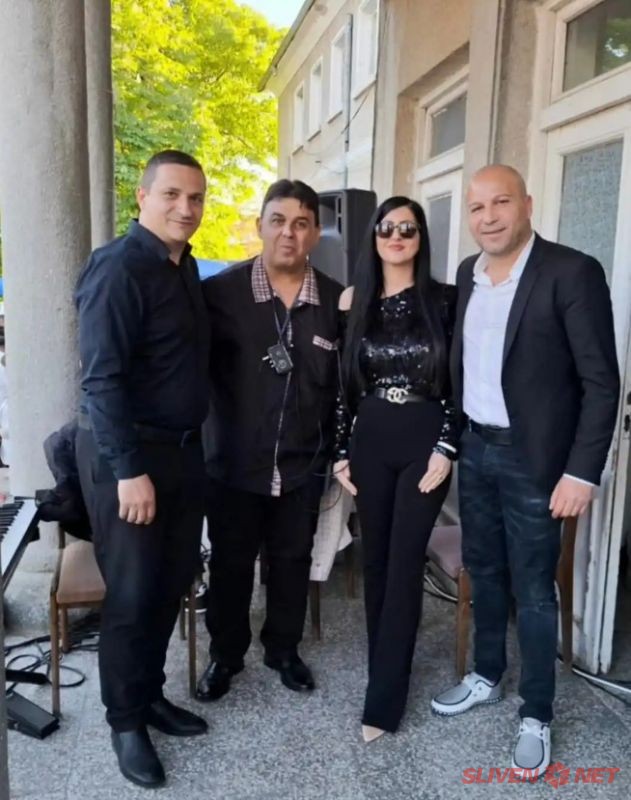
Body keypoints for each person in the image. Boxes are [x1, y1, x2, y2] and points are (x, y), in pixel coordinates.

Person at [431, 165, 620, 775]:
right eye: (477, 207)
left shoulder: (571, 272)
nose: (488, 217)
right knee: (485, 569)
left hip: (535, 461)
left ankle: (536, 712)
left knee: (534, 589)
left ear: (527, 204)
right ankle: (487, 674)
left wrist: (581, 473)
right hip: (477, 448)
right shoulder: (469, 273)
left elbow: (601, 383)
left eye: (501, 202)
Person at [75, 150, 211, 790]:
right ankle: (125, 722)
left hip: (182, 453)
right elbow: (100, 380)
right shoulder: (117, 267)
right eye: (172, 195)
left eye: (196, 197)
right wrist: (129, 470)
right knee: (131, 596)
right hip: (129, 458)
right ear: (142, 196)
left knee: (170, 582)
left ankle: (150, 695)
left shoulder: (183, 267)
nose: (186, 208)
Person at [196, 179, 342, 702]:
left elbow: (345, 387)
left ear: (316, 233)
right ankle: (225, 654)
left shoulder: (336, 302)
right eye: (278, 221)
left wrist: (339, 452)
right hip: (233, 462)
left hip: (303, 465)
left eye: (301, 224)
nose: (288, 233)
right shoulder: (220, 295)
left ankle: (283, 649)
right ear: (259, 225)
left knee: (292, 560)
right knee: (230, 563)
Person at [333, 196, 457, 742]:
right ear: (375, 236)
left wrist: (447, 447)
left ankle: (383, 703)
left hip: (424, 440)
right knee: (376, 561)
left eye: (408, 228)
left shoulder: (446, 300)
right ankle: (383, 661)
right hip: (372, 438)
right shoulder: (352, 301)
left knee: (405, 563)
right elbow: (343, 384)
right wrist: (340, 451)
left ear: (421, 236)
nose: (397, 236)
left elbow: (459, 382)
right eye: (387, 227)